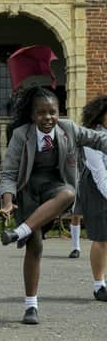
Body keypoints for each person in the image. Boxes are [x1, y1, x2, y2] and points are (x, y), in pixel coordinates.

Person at [0, 87, 107, 324]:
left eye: (52, 112)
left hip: (55, 190)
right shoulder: (22, 135)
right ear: (32, 116)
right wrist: (8, 202)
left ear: (59, 112)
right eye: (41, 113)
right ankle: (30, 306)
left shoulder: (68, 129)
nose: (48, 118)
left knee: (69, 193)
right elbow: (9, 173)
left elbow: (97, 139)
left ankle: (19, 231)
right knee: (35, 246)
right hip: (29, 193)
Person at [76, 95, 107, 301]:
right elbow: (99, 173)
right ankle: (99, 285)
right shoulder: (92, 136)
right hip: (96, 187)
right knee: (102, 237)